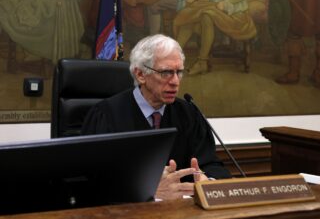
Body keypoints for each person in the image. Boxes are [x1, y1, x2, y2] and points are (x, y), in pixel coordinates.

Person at [82, 34, 231, 200]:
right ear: (140, 75)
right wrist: (148, 193)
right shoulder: (106, 116)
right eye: (166, 72)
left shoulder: (188, 114)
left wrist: (206, 181)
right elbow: (94, 183)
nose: (175, 81)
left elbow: (211, 164)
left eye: (179, 72)